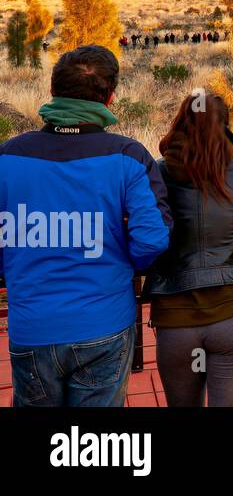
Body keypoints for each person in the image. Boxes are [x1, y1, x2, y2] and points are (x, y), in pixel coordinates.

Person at [0, 45, 172, 407]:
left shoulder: (8, 157)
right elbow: (153, 239)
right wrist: (123, 257)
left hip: (31, 327)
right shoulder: (128, 156)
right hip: (104, 324)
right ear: (110, 98)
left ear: (52, 93)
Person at [146, 92, 233, 406]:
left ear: (181, 122)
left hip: (176, 315)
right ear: (226, 123)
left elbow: (152, 232)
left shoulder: (159, 171)